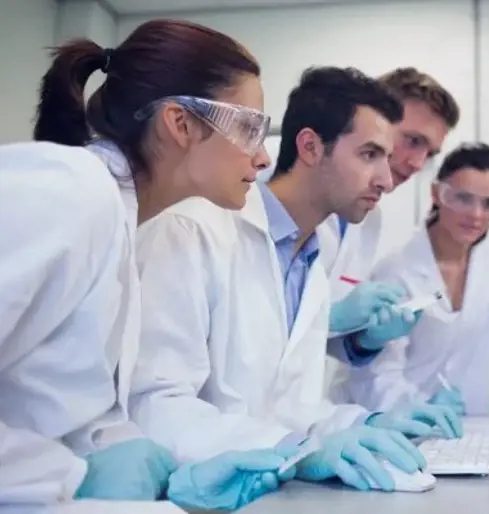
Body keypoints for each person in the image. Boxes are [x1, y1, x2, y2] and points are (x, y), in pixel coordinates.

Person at [0, 19, 296, 510]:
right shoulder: (72, 189)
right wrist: (68, 475)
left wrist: (169, 479)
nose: (262, 158)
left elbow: (57, 410)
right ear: (180, 123)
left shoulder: (126, 221)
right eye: (249, 129)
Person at [129, 66, 462, 496]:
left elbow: (286, 404)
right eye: (369, 154)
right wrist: (296, 448)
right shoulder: (192, 230)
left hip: (268, 493)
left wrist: (367, 423)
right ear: (309, 146)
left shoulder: (308, 259)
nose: (387, 177)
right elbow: (155, 405)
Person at [331, 143, 489, 418]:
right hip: (392, 422)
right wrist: (421, 409)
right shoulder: (397, 270)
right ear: (437, 194)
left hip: (466, 426)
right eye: (463, 199)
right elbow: (376, 375)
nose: (476, 215)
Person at [320, 67, 461, 365]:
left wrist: (366, 341)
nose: (417, 163)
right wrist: (327, 317)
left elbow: (323, 343)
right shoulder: (264, 181)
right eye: (413, 140)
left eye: (430, 153)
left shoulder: (368, 217)